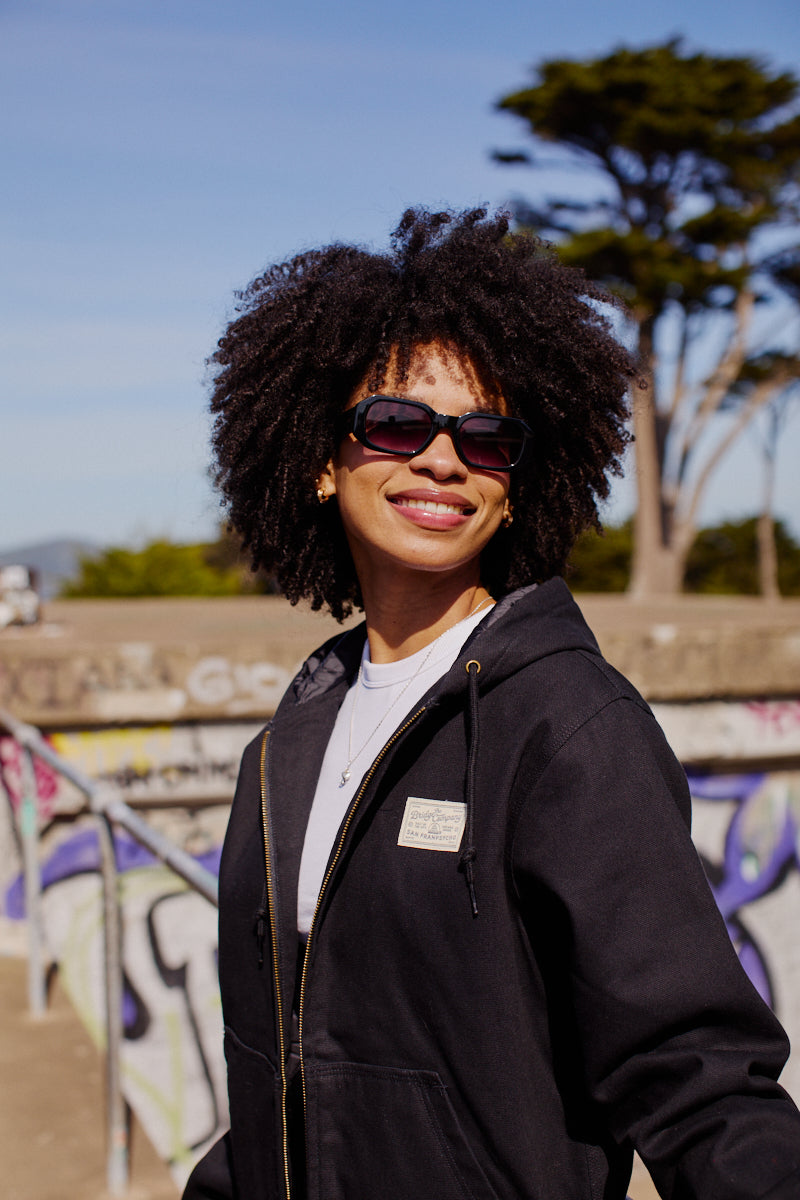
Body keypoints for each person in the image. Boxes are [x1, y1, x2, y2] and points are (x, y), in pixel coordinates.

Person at [184, 208, 800, 1200]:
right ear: (316, 456)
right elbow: (289, 1065)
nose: (440, 460)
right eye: (393, 422)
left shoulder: (565, 725)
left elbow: (699, 1081)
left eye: (485, 437)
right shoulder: (286, 747)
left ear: (516, 487)